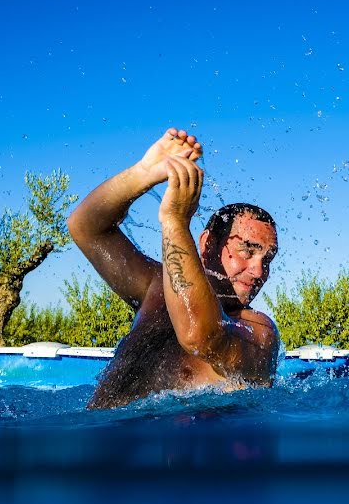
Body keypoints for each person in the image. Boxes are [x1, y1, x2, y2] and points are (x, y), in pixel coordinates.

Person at [68, 128, 280, 409]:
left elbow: (199, 336)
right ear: (207, 244)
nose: (258, 271)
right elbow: (86, 227)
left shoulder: (257, 331)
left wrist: (176, 223)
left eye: (267, 259)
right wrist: (143, 174)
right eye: (247, 251)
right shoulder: (156, 286)